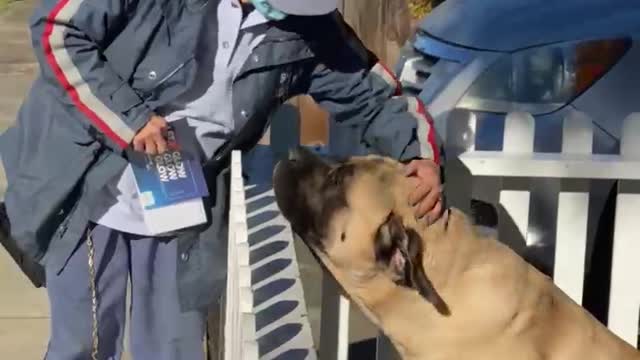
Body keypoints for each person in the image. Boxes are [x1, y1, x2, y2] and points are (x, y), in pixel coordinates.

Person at [0, 0, 444, 359]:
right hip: (88, 176)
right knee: (86, 343)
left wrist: (418, 154)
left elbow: (372, 93)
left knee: (174, 347)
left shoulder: (309, 28)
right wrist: (131, 120)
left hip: (182, 195)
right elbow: (57, 30)